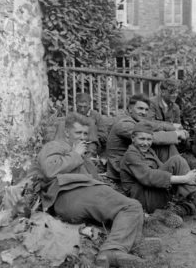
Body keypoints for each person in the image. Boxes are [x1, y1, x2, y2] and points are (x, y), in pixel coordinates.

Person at [37, 112, 146, 267]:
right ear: (67, 133)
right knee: (131, 206)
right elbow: (49, 170)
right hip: (70, 194)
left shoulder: (78, 152)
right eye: (78, 133)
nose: (83, 137)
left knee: (133, 206)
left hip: (81, 195)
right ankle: (111, 251)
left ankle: (134, 244)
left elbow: (94, 180)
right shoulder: (55, 146)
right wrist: (75, 154)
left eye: (85, 134)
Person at [120, 122, 196, 224]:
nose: (145, 143)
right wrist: (184, 179)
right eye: (142, 139)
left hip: (153, 192)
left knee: (179, 167)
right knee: (176, 161)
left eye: (149, 140)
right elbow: (149, 177)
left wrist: (190, 178)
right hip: (143, 199)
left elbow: (160, 168)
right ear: (133, 138)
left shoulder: (148, 151)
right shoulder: (131, 155)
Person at [106, 94, 189, 181]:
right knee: (164, 146)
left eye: (146, 110)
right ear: (130, 109)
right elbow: (153, 137)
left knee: (167, 146)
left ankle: (181, 176)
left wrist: (173, 127)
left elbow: (155, 124)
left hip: (135, 162)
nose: (144, 112)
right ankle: (182, 177)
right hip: (122, 169)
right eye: (140, 108)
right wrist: (176, 134)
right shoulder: (124, 124)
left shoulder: (135, 120)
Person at [55, 93, 108, 157]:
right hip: (75, 141)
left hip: (92, 143)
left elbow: (104, 135)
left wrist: (89, 136)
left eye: (85, 107)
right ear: (76, 104)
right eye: (80, 106)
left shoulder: (96, 116)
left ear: (89, 105)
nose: (82, 110)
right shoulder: (72, 116)